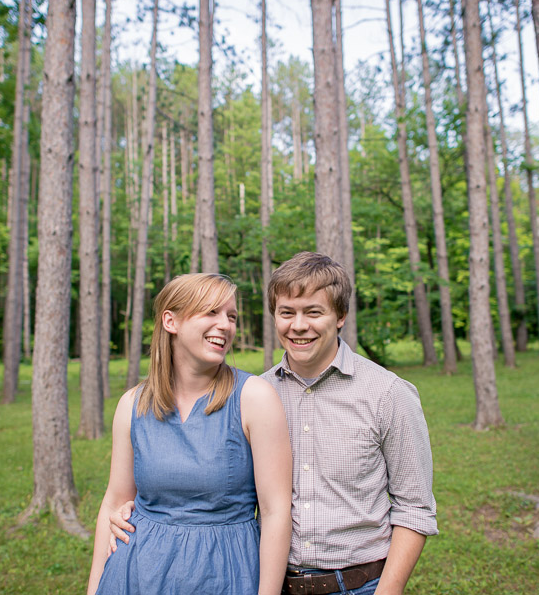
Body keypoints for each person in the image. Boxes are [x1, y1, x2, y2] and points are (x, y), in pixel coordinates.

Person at [110, 253, 437, 595]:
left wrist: (388, 591)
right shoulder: (253, 396)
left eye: (313, 312)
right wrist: (140, 509)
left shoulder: (387, 393)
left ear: (340, 316)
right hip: (269, 579)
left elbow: (414, 508)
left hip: (359, 584)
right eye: (286, 313)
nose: (298, 325)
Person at [86, 273, 292, 595]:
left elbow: (275, 511)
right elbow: (114, 502)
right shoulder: (133, 405)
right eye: (211, 312)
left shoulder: (254, 398)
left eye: (231, 316)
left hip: (224, 574)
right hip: (138, 574)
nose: (225, 325)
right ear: (171, 321)